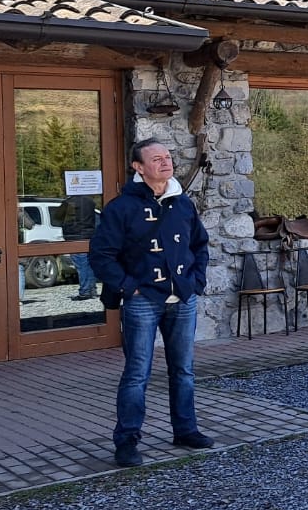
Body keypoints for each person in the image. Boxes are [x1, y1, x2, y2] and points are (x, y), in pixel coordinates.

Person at [88, 139, 213, 469]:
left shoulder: (182, 203)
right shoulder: (121, 208)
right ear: (138, 167)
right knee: (136, 373)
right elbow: (101, 255)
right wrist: (130, 288)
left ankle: (185, 430)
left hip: (182, 300)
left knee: (183, 371)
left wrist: (195, 281)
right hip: (143, 302)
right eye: (155, 159)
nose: (165, 163)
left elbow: (200, 245)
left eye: (167, 157)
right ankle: (127, 440)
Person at [60, 193, 99, 300]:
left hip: (74, 236)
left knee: (81, 266)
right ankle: (92, 289)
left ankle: (85, 291)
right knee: (89, 265)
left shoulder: (68, 202)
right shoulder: (90, 202)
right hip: (89, 236)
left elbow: (57, 218)